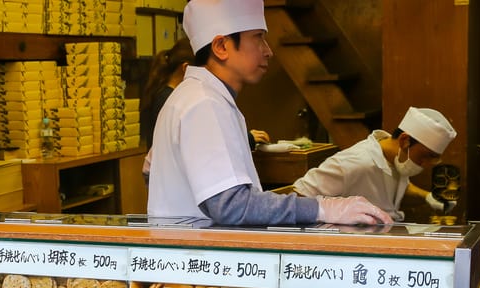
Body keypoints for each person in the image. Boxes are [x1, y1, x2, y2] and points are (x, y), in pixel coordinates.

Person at [147, 0, 390, 227]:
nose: (268, 51)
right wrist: (323, 208)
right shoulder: (203, 102)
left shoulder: (192, 95)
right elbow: (231, 206)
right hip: (196, 261)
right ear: (221, 46)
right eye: (258, 38)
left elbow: (149, 170)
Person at [292, 107, 458, 221]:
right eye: (425, 156)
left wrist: (428, 197)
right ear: (405, 140)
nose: (426, 164)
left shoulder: (397, 160)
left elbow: (398, 187)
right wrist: (337, 214)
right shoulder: (354, 163)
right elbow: (299, 196)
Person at [141, 38, 270, 150]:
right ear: (186, 69)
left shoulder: (172, 97)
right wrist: (247, 138)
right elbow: (203, 140)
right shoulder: (172, 101)